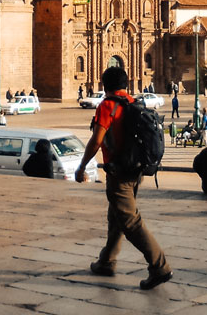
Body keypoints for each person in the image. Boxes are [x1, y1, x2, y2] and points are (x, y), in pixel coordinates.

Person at [76, 66, 172, 290]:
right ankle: (106, 261)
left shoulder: (108, 105)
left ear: (104, 85)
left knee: (129, 221)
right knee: (116, 216)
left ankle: (160, 266)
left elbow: (97, 139)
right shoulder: (133, 102)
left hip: (119, 171)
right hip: (136, 170)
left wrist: (82, 166)